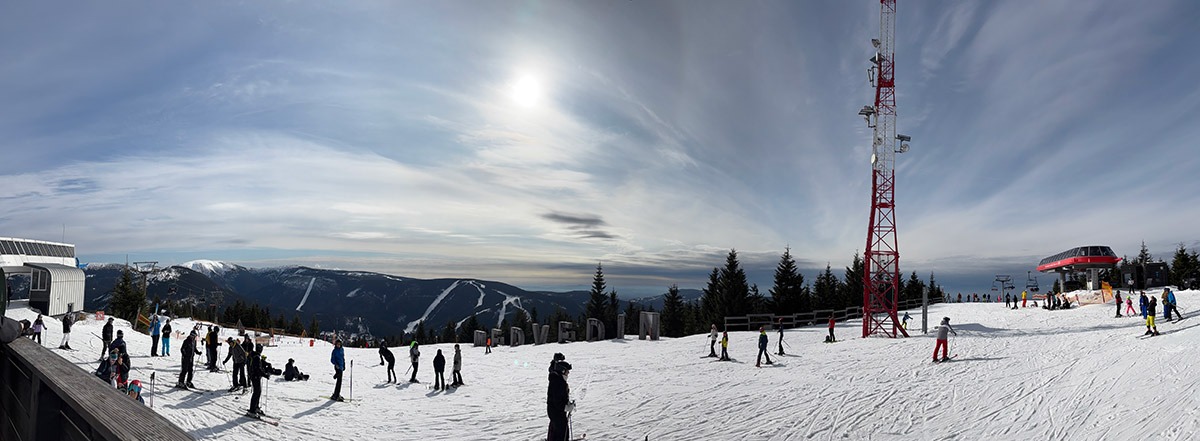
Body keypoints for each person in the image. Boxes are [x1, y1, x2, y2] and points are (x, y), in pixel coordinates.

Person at [546, 353, 573, 441]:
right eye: (567, 371)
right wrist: (566, 407)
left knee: (556, 430)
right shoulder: (558, 382)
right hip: (557, 412)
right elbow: (557, 401)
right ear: (562, 371)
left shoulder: (557, 379)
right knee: (562, 432)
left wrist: (567, 403)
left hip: (554, 412)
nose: (568, 373)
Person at [247, 344, 274, 417]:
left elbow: (261, 362)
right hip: (255, 376)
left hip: (255, 376)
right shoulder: (256, 357)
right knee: (256, 392)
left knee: (258, 392)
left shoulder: (256, 355)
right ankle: (252, 410)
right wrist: (265, 375)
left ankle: (256, 407)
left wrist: (267, 364)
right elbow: (258, 369)